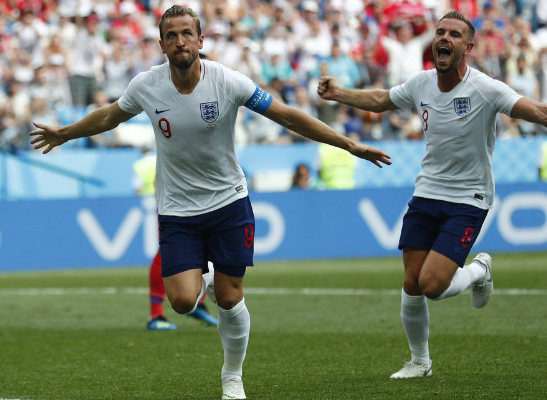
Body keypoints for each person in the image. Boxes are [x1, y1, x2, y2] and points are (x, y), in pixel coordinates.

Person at [30, 5, 392, 399]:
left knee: (231, 296)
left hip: (228, 203)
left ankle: (232, 377)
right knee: (183, 302)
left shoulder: (228, 81)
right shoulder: (146, 86)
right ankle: (204, 281)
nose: (180, 41)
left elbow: (287, 116)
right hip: (178, 209)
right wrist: (65, 133)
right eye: (172, 35)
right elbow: (108, 117)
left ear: (201, 40)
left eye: (187, 33)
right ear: (162, 44)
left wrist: (349, 143)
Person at [317, 10, 547, 380]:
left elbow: (541, 112)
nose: (444, 38)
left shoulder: (485, 88)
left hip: (469, 198)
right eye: (440, 32)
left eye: (455, 34)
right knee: (411, 283)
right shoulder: (421, 83)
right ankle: (419, 362)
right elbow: (382, 99)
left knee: (432, 285)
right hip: (426, 192)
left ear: (468, 47)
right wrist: (339, 94)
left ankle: (479, 270)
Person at [132, 147, 218, 330]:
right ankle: (155, 315)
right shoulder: (173, 138)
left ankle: (197, 302)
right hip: (174, 201)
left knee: (206, 249)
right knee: (165, 251)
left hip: (200, 198)